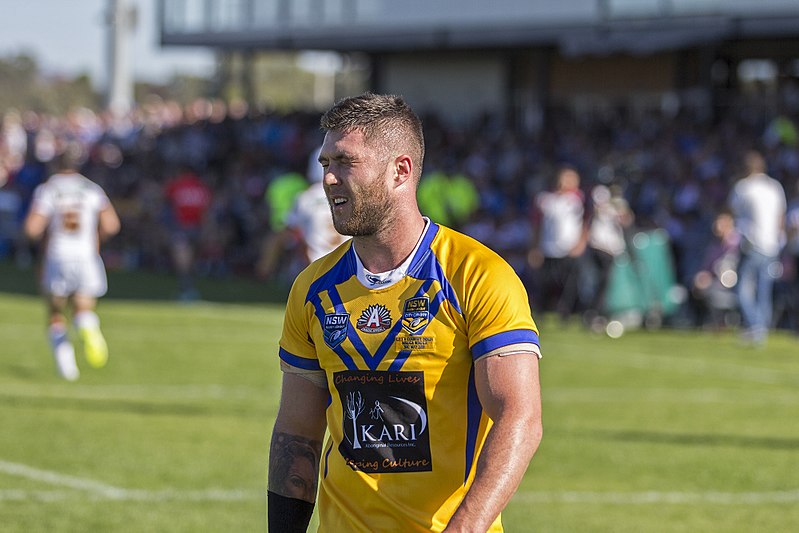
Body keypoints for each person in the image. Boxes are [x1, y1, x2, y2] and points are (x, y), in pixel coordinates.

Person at [268, 93, 542, 532]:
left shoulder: (477, 275)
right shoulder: (312, 289)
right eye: (325, 164)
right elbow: (296, 433)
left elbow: (519, 417)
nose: (329, 179)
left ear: (401, 170)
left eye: (345, 162)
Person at [23, 151, 121, 381]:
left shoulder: (49, 189)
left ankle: (66, 368)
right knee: (83, 307)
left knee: (55, 312)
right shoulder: (92, 189)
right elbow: (112, 225)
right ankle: (87, 325)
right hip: (86, 255)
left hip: (57, 255)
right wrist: (95, 238)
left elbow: (32, 228)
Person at [256, 146, 349, 280]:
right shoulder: (348, 196)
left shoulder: (306, 198)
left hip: (316, 269)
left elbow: (287, 231)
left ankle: (264, 274)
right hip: (348, 268)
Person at [728, 150, 787, 345]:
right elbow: (781, 218)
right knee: (764, 289)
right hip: (772, 244)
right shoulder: (775, 187)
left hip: (753, 244)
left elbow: (732, 213)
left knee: (742, 288)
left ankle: (755, 327)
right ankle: (760, 329)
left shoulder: (743, 187)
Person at [528, 165, 587, 322]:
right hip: (548, 247)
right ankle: (541, 311)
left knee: (570, 283)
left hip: (569, 247)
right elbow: (537, 224)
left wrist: (580, 243)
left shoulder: (578, 199)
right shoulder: (544, 199)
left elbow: (586, 222)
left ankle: (567, 312)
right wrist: (535, 247)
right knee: (545, 282)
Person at [163, 164, 212, 300]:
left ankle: (187, 289)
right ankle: (189, 288)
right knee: (191, 260)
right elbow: (206, 211)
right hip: (197, 227)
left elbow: (167, 204)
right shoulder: (201, 187)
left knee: (183, 261)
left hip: (181, 227)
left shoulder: (176, 185)